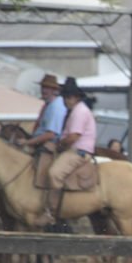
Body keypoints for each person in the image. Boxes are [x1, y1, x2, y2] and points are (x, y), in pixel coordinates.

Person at [39, 77, 96, 225]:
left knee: (54, 173)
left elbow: (73, 137)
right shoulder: (74, 111)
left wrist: (59, 146)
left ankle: (51, 212)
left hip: (78, 151)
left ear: (76, 97)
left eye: (69, 97)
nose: (66, 100)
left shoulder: (79, 112)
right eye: (65, 97)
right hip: (73, 149)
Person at [17, 74, 66, 151]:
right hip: (39, 141)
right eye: (43, 87)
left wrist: (28, 142)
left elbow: (51, 134)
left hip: (47, 144)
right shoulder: (49, 104)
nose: (43, 90)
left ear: (54, 90)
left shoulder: (56, 106)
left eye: (47, 88)